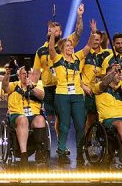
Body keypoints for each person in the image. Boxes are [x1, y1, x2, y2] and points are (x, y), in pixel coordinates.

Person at [49, 23, 92, 164]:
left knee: (80, 125)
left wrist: (93, 31)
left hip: (78, 95)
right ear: (62, 48)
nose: (70, 47)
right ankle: (61, 151)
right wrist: (52, 34)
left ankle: (80, 152)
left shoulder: (78, 57)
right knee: (64, 125)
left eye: (71, 45)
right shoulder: (58, 59)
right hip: (62, 95)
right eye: (67, 45)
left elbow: (88, 47)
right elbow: (50, 48)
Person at [94, 62, 122, 164]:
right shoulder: (99, 87)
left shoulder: (120, 89)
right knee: (119, 123)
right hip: (107, 120)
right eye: (114, 73)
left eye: (117, 73)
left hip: (121, 118)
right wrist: (113, 72)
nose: (117, 74)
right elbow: (104, 83)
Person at [2, 64, 47, 167]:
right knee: (23, 119)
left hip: (33, 115)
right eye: (23, 74)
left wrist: (32, 87)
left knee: (40, 119)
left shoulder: (37, 85)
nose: (26, 76)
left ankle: (40, 152)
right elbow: (5, 87)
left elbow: (41, 95)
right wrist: (7, 74)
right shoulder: (14, 85)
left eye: (28, 73)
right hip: (17, 115)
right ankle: (24, 155)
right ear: (18, 76)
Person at [81, 21, 112, 136]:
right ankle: (87, 144)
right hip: (87, 92)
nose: (95, 42)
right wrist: (83, 86)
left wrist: (100, 74)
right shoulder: (85, 54)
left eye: (97, 39)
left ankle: (97, 141)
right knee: (87, 119)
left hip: (100, 91)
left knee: (98, 118)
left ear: (101, 40)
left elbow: (108, 74)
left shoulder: (107, 55)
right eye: (93, 39)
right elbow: (75, 73)